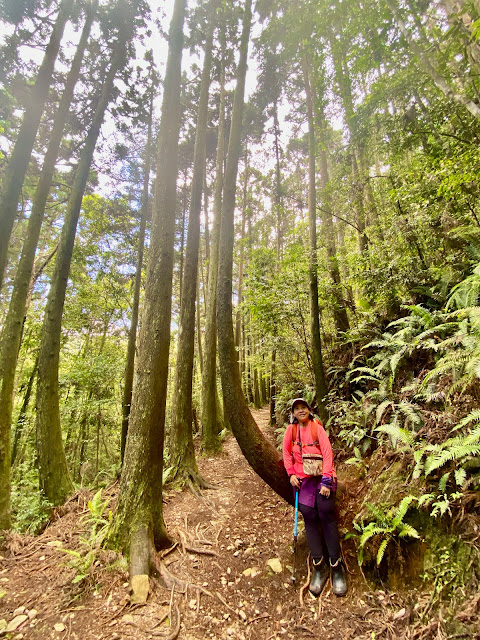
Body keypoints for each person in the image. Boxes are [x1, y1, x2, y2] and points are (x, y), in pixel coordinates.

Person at [283, 398, 347, 597]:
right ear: (293, 413)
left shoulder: (316, 428)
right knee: (309, 514)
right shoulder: (291, 431)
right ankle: (319, 568)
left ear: (309, 411)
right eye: (297, 409)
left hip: (322, 476)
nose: (300, 411)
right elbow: (286, 453)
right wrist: (291, 473)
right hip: (303, 479)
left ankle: (337, 567)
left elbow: (328, 454)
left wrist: (327, 481)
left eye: (303, 408)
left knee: (325, 511)